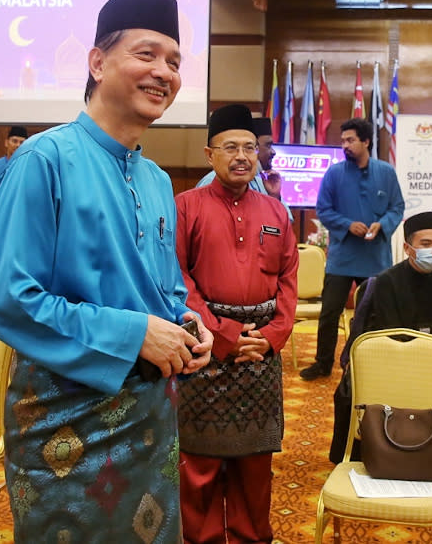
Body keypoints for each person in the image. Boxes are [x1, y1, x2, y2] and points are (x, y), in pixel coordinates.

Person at [0, 0, 212, 542]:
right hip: (65, 421)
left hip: (150, 415)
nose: (164, 73)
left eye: (175, 63)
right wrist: (135, 334)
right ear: (97, 62)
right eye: (147, 55)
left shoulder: (156, 180)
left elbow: (160, 292)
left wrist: (186, 321)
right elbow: (7, 300)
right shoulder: (43, 161)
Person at [175, 104, 298, 544]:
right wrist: (223, 335)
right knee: (199, 469)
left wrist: (271, 338)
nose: (242, 156)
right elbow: (176, 279)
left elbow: (288, 280)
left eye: (249, 147)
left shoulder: (276, 212)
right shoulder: (185, 207)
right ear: (211, 155)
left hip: (261, 356)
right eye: (230, 147)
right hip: (205, 350)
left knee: (254, 468)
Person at [328, 210, 432, 463]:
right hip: (391, 362)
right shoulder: (387, 281)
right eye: (425, 244)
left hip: (429, 363)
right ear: (408, 248)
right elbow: (388, 338)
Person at [299, 117, 404, 381]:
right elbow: (323, 209)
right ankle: (323, 364)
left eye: (350, 140)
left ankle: (371, 363)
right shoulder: (334, 173)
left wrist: (383, 224)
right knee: (329, 312)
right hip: (342, 258)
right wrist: (347, 225)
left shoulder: (386, 172)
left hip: (375, 258)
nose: (344, 145)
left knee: (377, 313)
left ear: (366, 141)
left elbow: (397, 208)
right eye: (343, 140)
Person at [196, 116, 292, 221]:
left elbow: (286, 222)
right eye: (268, 145)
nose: (273, 152)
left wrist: (274, 196)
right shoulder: (212, 181)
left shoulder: (263, 182)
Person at [0, 125, 27, 201]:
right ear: (6, 143)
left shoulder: (29, 167)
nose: (18, 145)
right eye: (14, 141)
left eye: (22, 142)